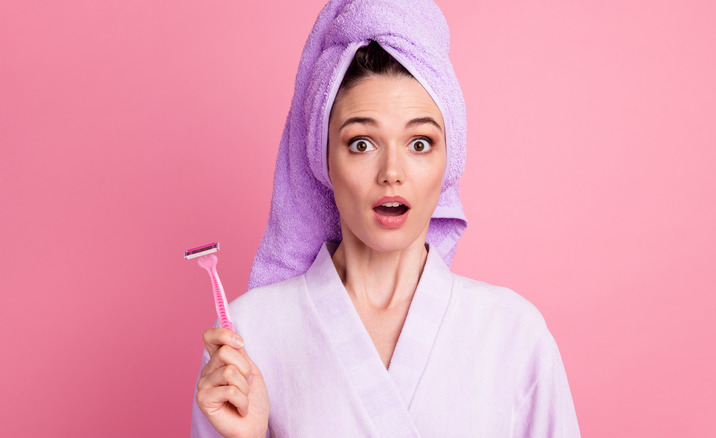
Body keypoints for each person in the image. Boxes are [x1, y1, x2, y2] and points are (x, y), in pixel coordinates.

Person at [191, 0, 580, 436]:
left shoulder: (512, 333)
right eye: (361, 143)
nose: (391, 173)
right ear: (323, 160)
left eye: (419, 143)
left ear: (449, 161)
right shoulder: (248, 335)